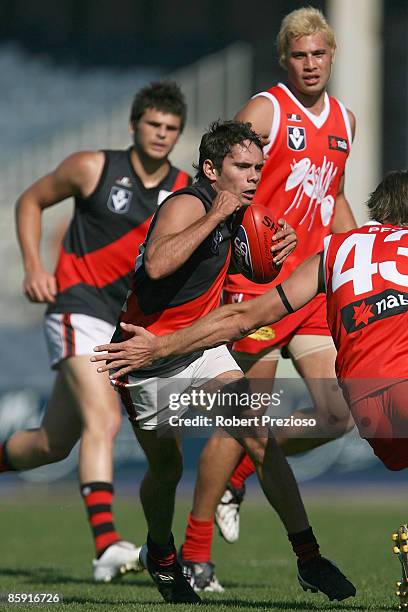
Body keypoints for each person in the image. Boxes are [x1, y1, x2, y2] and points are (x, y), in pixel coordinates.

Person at [94, 169, 408, 608]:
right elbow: (160, 266)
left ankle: (306, 556)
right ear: (214, 169)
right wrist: (156, 347)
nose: (255, 175)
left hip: (218, 346)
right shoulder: (190, 204)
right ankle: (168, 552)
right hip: (148, 353)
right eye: (247, 167)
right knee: (166, 469)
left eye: (260, 167)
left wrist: (288, 241)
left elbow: (248, 312)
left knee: (260, 434)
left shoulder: (331, 242)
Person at [165, 6, 358, 585]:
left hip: (312, 288)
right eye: (298, 55)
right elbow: (222, 177)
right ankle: (195, 554)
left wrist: (355, 258)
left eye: (318, 54)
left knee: (337, 414)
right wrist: (262, 226)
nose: (309, 64)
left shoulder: (347, 119)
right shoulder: (266, 109)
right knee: (244, 420)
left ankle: (243, 478)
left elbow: (335, 198)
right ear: (284, 58)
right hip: (258, 289)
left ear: (331, 55)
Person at [1, 81, 190, 582]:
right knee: (103, 420)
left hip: (119, 326)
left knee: (50, 444)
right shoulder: (93, 167)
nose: (162, 135)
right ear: (134, 125)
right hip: (76, 308)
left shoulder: (184, 189)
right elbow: (30, 200)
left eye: (171, 129)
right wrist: (34, 267)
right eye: (154, 125)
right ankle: (107, 544)